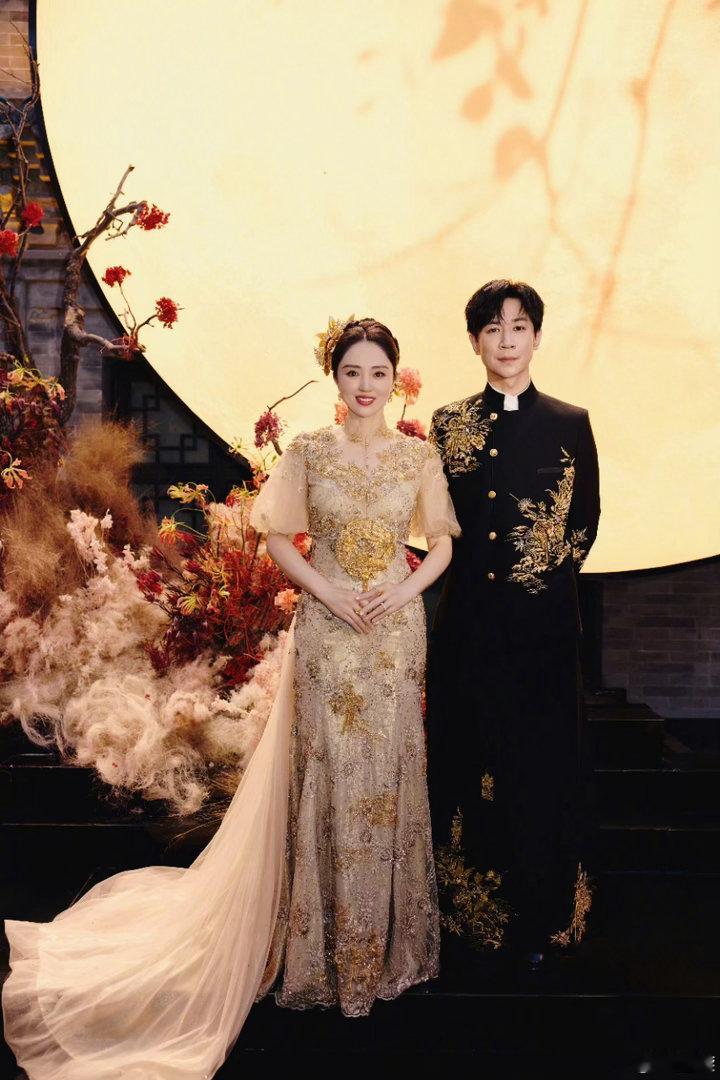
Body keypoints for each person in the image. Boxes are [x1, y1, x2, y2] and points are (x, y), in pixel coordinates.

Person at [2, 317, 460, 1078]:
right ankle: (318, 950)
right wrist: (330, 594)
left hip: (392, 635)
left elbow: (441, 542)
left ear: (394, 378)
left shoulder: (418, 456)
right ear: (336, 377)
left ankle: (384, 950)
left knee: (388, 778)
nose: (366, 385)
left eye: (379, 373)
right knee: (327, 776)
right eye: (353, 371)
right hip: (329, 631)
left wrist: (402, 591)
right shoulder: (309, 452)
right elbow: (279, 539)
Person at [426, 279, 600, 967]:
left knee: (540, 770)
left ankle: (541, 919)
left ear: (537, 336)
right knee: (465, 763)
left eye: (519, 326)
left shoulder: (569, 421)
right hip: (467, 630)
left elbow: (583, 523)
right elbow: (438, 522)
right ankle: (465, 918)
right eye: (492, 328)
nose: (506, 340)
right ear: (475, 341)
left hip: (542, 634)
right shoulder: (448, 423)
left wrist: (535, 582)